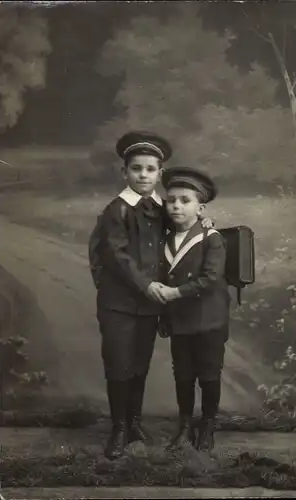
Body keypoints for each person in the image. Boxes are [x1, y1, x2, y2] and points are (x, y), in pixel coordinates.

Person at [88, 132, 213, 460]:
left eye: (150, 169)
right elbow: (117, 255)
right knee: (118, 364)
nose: (143, 175)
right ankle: (118, 428)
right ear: (124, 173)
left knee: (139, 364)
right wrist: (146, 285)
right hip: (119, 303)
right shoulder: (116, 210)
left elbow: (185, 232)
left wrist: (204, 221)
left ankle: (134, 423)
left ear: (160, 174)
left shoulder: (163, 209)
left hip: (149, 305)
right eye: (136, 169)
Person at [157, 166, 231, 454]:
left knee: (209, 374)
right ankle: (185, 424)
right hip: (180, 321)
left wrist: (176, 293)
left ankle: (208, 424)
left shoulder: (211, 238)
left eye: (184, 201)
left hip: (209, 319)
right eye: (171, 200)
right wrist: (164, 313)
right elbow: (164, 278)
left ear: (200, 208)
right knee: (183, 374)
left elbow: (211, 279)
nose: (176, 206)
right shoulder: (163, 240)